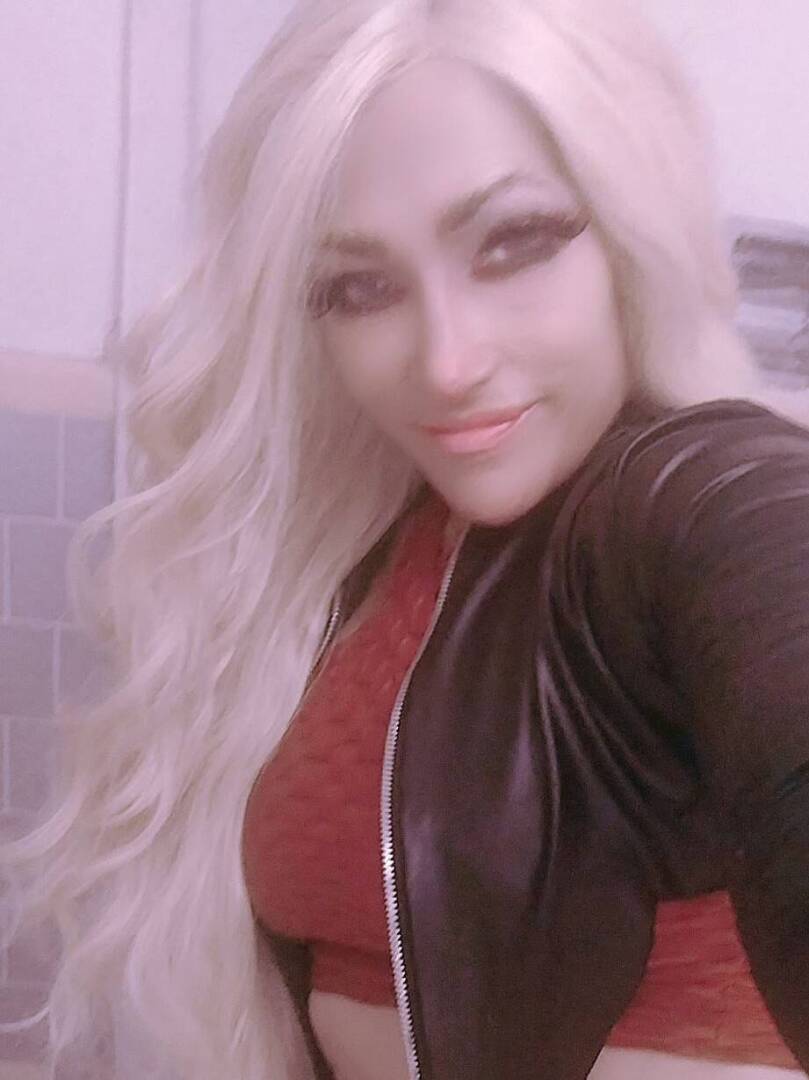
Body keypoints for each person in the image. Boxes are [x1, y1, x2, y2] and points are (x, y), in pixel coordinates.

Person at [3, 0, 809, 1078]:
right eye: (360, 287)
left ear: (630, 234)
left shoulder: (700, 501)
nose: (445, 363)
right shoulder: (362, 557)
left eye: (513, 243)